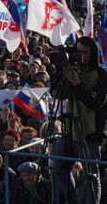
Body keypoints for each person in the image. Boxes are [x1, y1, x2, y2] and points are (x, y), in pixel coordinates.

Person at [51, 36, 107, 204]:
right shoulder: (72, 70)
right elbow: (57, 95)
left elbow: (95, 103)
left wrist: (77, 83)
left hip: (91, 132)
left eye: (85, 52)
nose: (81, 56)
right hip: (70, 130)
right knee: (59, 169)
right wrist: (59, 75)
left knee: (90, 175)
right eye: (78, 52)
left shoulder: (101, 74)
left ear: (93, 53)